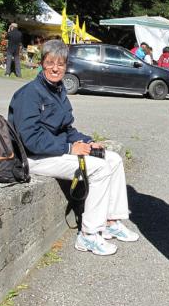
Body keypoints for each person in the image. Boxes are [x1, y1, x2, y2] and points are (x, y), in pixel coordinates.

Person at [8, 39, 139, 256]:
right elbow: (30, 139)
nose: (55, 68)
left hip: (54, 150)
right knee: (99, 168)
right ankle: (88, 235)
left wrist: (87, 141)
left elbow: (67, 128)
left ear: (66, 66)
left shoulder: (58, 90)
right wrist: (70, 148)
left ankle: (110, 221)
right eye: (50, 63)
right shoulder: (30, 93)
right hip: (33, 157)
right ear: (42, 63)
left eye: (60, 63)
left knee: (112, 158)